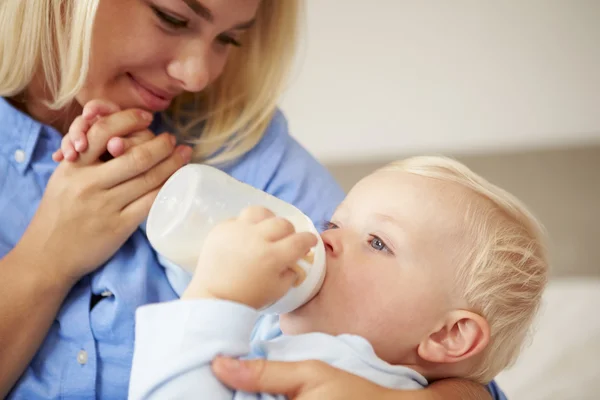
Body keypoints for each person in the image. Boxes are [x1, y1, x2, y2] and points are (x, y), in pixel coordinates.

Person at [0, 0, 505, 399]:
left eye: (227, 38)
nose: (197, 75)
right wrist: (44, 260)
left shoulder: (243, 148)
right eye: (172, 16)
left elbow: (445, 355)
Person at [125, 156, 548, 399]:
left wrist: (217, 296)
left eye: (378, 242)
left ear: (448, 335)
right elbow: (189, 265)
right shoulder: (297, 330)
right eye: (334, 223)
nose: (326, 240)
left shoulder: (356, 380)